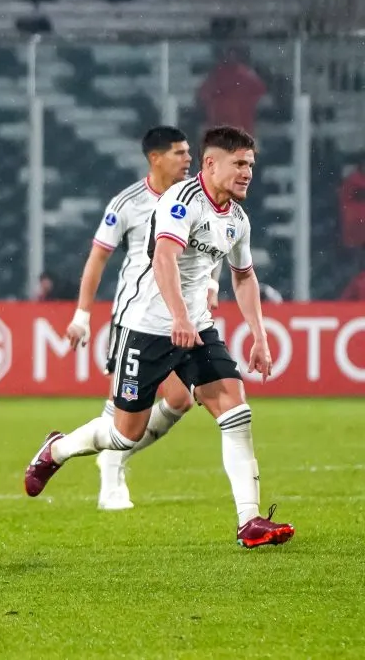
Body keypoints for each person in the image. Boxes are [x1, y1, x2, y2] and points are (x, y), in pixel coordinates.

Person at [26, 126, 295, 549]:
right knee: (122, 434)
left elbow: (244, 278)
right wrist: (177, 316)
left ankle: (250, 521)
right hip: (147, 326)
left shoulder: (237, 220)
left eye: (251, 165)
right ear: (212, 163)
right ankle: (56, 450)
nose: (247, 173)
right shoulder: (180, 200)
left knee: (235, 410)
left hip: (197, 327)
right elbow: (164, 257)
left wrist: (258, 336)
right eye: (239, 163)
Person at [63, 126, 193, 511]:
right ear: (155, 158)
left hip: (177, 317)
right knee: (123, 407)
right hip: (134, 317)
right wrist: (82, 315)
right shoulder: (127, 203)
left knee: (179, 401)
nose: (188, 159)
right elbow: (97, 258)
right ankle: (110, 479)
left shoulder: (195, 199)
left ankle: (113, 457)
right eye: (179, 153)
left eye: (189, 152)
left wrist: (207, 288)